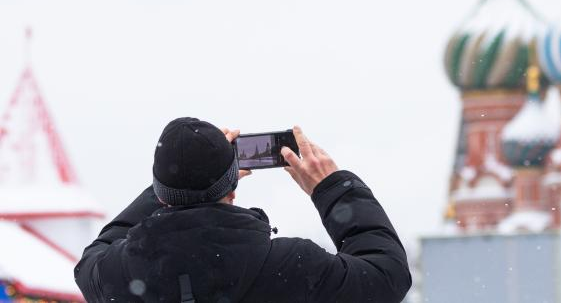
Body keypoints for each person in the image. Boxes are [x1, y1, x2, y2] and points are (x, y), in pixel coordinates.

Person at [74, 118, 412, 302]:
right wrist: (332, 188)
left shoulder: (116, 274)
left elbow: (95, 253)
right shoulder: (292, 266)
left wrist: (175, 182)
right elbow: (387, 277)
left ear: (161, 196)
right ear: (233, 188)